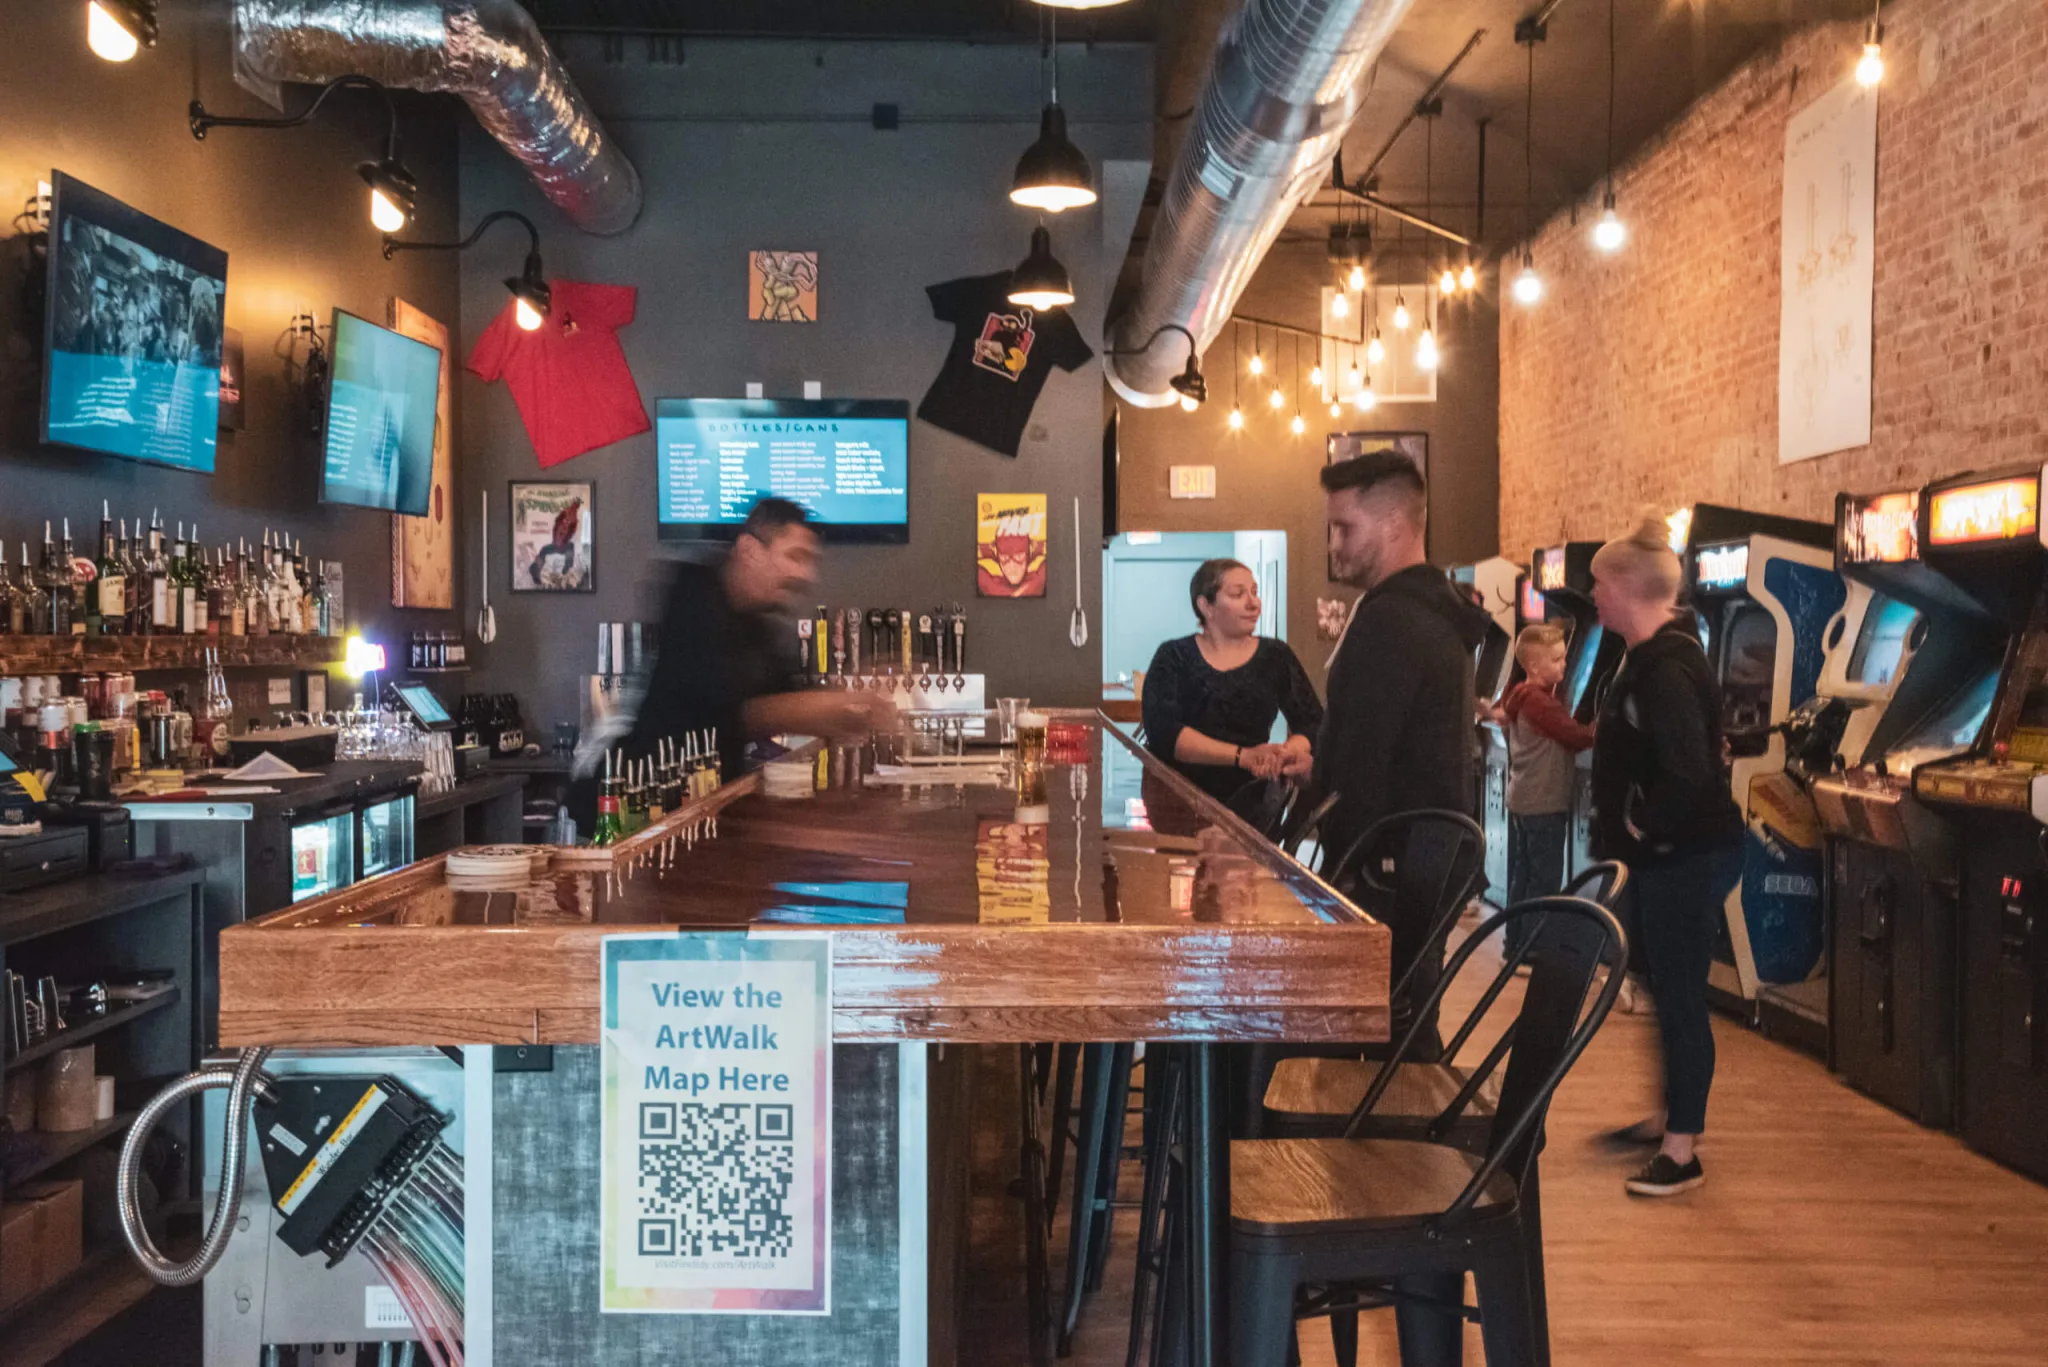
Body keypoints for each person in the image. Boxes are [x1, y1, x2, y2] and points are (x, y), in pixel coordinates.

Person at [1588, 514, 1744, 1198]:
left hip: (1686, 853)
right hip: (1666, 855)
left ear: (1626, 585)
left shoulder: (1666, 669)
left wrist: (1643, 825)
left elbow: (1688, 773)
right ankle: (1667, 1116)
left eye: (1599, 583)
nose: (1593, 595)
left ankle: (1682, 1152)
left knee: (1680, 997)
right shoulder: (1652, 656)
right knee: (1661, 986)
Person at [1310, 452, 1491, 1034]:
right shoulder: (1436, 608)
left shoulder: (1392, 619)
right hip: (1427, 859)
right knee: (1408, 1027)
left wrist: (1336, 872)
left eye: (1344, 528)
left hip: (1390, 869)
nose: (1334, 545)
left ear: (1392, 524)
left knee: (1382, 1039)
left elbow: (1364, 764)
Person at [610, 498, 895, 795]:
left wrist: (854, 712)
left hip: (702, 798)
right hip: (641, 799)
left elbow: (789, 697)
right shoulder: (692, 594)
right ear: (749, 550)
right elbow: (741, 712)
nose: (806, 575)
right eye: (796, 556)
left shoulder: (758, 625)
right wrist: (843, 703)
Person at [1140, 558, 1323, 806]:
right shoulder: (1173, 656)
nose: (1253, 603)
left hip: (1253, 798)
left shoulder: (1275, 655)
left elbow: (1313, 723)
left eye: (1254, 592)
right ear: (1206, 606)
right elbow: (1163, 732)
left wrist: (1283, 753)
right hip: (1179, 800)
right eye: (1238, 594)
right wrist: (1242, 756)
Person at [1501, 623, 1596, 955]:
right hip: (1544, 803)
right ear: (1534, 666)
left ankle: (1514, 944)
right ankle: (1533, 948)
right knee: (1544, 880)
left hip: (1523, 799)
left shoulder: (1518, 695)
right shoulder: (1540, 703)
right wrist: (1602, 725)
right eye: (1557, 660)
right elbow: (1577, 737)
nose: (1565, 665)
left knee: (1523, 876)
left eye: (1565, 658)